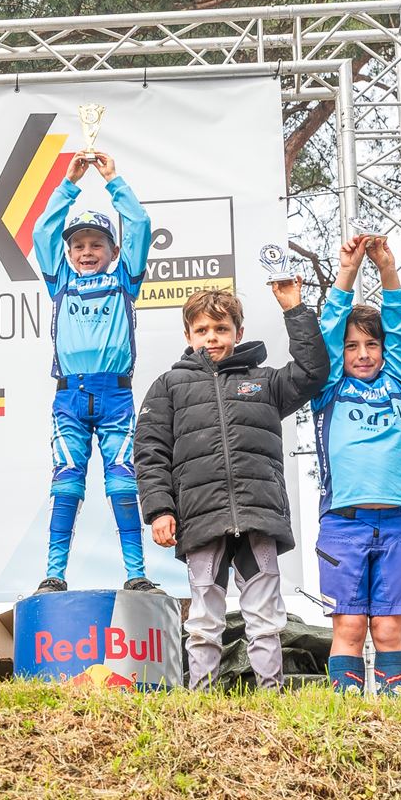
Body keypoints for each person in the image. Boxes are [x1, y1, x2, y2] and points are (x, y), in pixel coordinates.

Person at [135, 281, 329, 690]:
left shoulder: (264, 382)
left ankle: (270, 695)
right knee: (204, 618)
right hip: (201, 517)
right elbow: (151, 452)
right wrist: (159, 510)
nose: (212, 338)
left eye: (221, 329)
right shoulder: (169, 386)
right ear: (188, 335)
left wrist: (294, 309)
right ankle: (201, 698)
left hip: (257, 513)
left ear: (238, 333)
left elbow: (312, 373)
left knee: (265, 616)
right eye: (202, 330)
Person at [31, 151, 153, 594]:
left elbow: (139, 224)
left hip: (115, 396)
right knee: (66, 485)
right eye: (79, 245)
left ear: (114, 251)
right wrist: (68, 184)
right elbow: (42, 232)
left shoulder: (125, 280)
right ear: (68, 253)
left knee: (123, 484)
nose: (86, 252)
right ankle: (54, 573)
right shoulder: (60, 281)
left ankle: (136, 573)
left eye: (96, 244)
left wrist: (113, 180)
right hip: (69, 397)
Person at [313, 236, 401, 694]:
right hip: (344, 521)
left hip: (396, 522)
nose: (362, 353)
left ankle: (395, 707)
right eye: (352, 346)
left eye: (372, 344)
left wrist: (387, 271)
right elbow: (324, 337)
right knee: (351, 624)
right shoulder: (329, 388)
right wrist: (348, 273)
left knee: (389, 627)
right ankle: (346, 709)